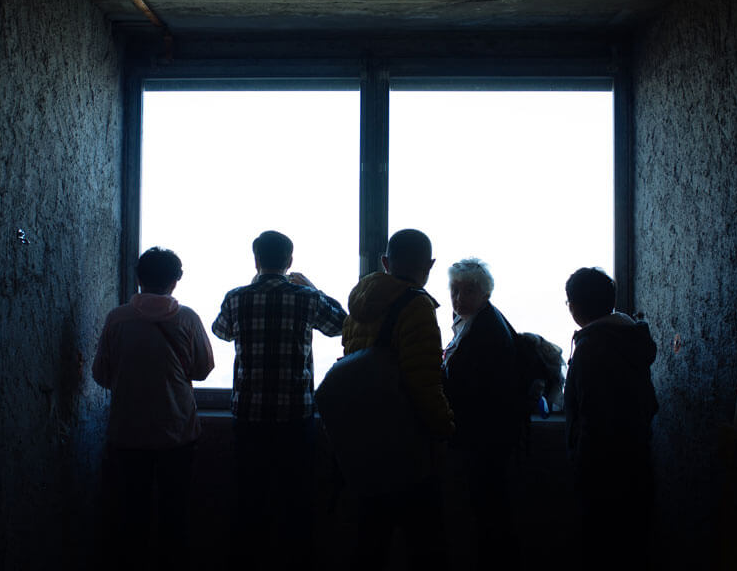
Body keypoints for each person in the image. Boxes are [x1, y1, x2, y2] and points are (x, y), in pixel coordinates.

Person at [212, 230, 347, 571]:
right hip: (295, 416)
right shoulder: (306, 298)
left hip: (249, 415)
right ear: (290, 261)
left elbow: (221, 332)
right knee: (298, 503)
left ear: (255, 259)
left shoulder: (235, 297)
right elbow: (343, 326)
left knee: (249, 501)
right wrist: (315, 289)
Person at [92, 247, 215, 570]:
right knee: (175, 516)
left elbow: (101, 374)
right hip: (178, 432)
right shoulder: (187, 318)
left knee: (132, 515)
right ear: (176, 281)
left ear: (138, 278)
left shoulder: (117, 318)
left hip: (127, 432)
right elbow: (203, 369)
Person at [341, 228, 454, 570]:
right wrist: (445, 426)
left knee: (370, 541)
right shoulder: (416, 305)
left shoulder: (361, 304)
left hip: (364, 442)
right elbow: (423, 380)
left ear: (386, 262)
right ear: (429, 265)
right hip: (406, 446)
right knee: (425, 546)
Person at [442, 257, 543, 568]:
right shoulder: (475, 321)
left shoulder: (486, 331)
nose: (458, 298)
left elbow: (477, 387)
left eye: (468, 290)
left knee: (491, 516)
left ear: (485, 293)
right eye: (454, 290)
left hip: (486, 441)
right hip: (487, 438)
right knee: (490, 514)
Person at [564, 267, 658, 571]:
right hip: (635, 460)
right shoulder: (626, 338)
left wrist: (581, 463)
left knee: (601, 547)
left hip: (602, 471)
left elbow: (592, 418)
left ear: (575, 306)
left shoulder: (593, 348)